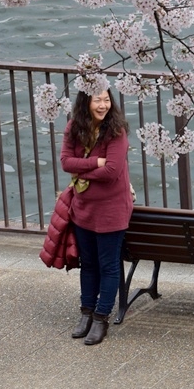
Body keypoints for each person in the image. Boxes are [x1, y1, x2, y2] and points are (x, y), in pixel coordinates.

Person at [60, 88, 134, 346]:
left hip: (112, 208)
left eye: (106, 99)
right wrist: (95, 163)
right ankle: (86, 313)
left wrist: (82, 172)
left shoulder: (116, 131)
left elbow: (112, 171)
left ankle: (101, 317)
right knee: (88, 263)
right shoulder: (74, 127)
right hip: (84, 208)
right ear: (85, 102)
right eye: (97, 100)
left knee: (108, 265)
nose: (103, 105)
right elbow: (65, 162)